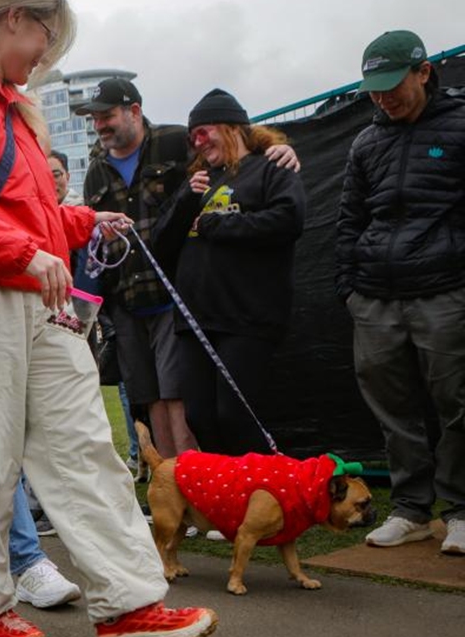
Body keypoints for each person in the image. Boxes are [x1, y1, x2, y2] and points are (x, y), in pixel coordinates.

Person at [0, 0, 216, 637]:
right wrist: (25, 250)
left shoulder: (5, 104)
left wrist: (79, 223)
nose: (47, 51)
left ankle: (127, 605)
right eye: (47, 33)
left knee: (84, 445)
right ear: (11, 16)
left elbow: (22, 215)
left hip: (35, 296)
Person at [78, 78, 301, 461]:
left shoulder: (178, 142)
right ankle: (192, 492)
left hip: (202, 304)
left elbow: (247, 163)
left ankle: (232, 487)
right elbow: (154, 238)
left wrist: (275, 147)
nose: (99, 125)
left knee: (199, 402)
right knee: (172, 405)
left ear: (134, 110)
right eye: (94, 119)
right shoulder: (102, 171)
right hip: (144, 302)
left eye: (107, 115)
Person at [336, 30, 465, 555]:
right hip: (375, 296)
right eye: (374, 89)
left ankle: (459, 509)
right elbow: (348, 220)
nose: (384, 97)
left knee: (456, 403)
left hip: (445, 291)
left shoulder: (460, 127)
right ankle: (411, 509)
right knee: (392, 407)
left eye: (393, 85)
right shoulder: (366, 142)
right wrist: (350, 288)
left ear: (424, 72)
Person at [154, 89, 306, 455]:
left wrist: (219, 226)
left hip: (245, 316)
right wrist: (186, 202)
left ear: (230, 127)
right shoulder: (197, 182)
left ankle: (264, 495)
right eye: (193, 138)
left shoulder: (271, 168)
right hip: (195, 321)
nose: (198, 144)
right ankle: (229, 497)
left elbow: (289, 220)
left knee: (236, 415)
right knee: (200, 415)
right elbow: (160, 245)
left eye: (204, 133)